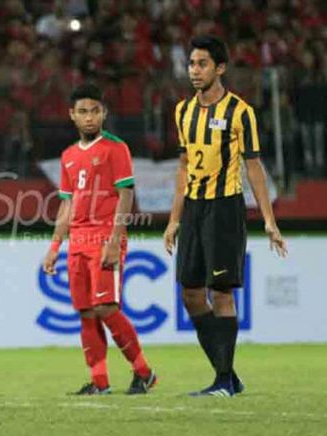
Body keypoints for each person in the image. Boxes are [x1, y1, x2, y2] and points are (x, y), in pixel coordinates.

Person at [163, 35, 288, 397]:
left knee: (220, 293)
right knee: (189, 293)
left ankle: (223, 382)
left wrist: (269, 220)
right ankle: (227, 375)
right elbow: (184, 167)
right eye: (191, 64)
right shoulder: (183, 111)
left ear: (219, 68)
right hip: (195, 209)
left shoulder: (240, 112)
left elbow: (254, 168)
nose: (194, 70)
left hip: (224, 208)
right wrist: (174, 218)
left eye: (202, 64)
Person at [42, 84, 157, 396]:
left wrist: (114, 239)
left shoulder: (115, 148)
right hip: (77, 242)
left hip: (105, 237)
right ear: (72, 115)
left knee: (106, 307)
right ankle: (100, 381)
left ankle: (144, 372)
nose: (89, 117)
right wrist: (54, 247)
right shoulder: (67, 156)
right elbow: (66, 205)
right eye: (83, 111)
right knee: (87, 312)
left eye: (95, 111)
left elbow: (126, 195)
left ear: (104, 113)